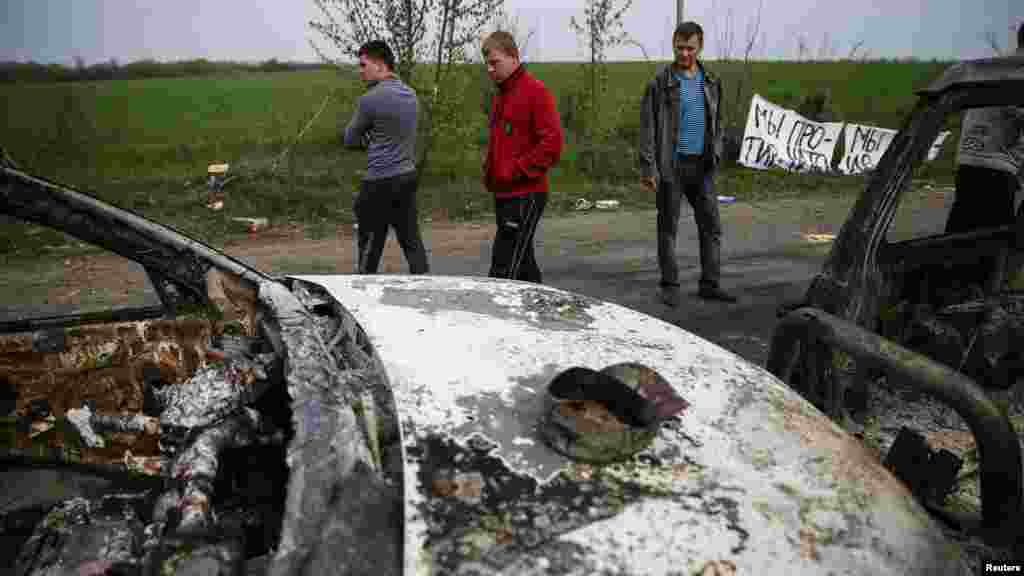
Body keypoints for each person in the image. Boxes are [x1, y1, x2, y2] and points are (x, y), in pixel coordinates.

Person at [639, 21, 735, 306]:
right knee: (668, 227)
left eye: (690, 48)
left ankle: (710, 284)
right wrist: (648, 167)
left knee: (712, 226)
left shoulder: (711, 82)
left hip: (702, 166)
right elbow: (647, 128)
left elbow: (718, 122)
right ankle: (670, 286)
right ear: (673, 44)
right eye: (679, 47)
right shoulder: (660, 83)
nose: (684, 54)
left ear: (700, 46)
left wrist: (716, 151)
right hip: (672, 166)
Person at [944, 22, 1024, 289]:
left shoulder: (995, 68)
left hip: (967, 162)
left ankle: (945, 293)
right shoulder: (1019, 73)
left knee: (957, 241)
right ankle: (977, 304)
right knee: (990, 248)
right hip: (997, 169)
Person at [481, 31, 563, 283]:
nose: (489, 69)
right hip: (504, 193)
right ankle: (542, 312)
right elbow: (501, 143)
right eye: (487, 63)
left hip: (526, 193)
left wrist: (516, 169)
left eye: (495, 62)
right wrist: (491, 171)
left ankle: (499, 319)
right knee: (523, 263)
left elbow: (552, 144)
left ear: (513, 57)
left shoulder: (535, 92)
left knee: (504, 270)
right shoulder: (500, 96)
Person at [344, 40, 429, 275]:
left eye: (363, 65)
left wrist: (369, 140)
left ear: (380, 65)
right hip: (406, 177)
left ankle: (362, 292)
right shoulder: (411, 95)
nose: (360, 71)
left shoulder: (369, 99)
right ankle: (424, 288)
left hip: (378, 182)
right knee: (411, 241)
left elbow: (350, 139)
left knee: (370, 246)